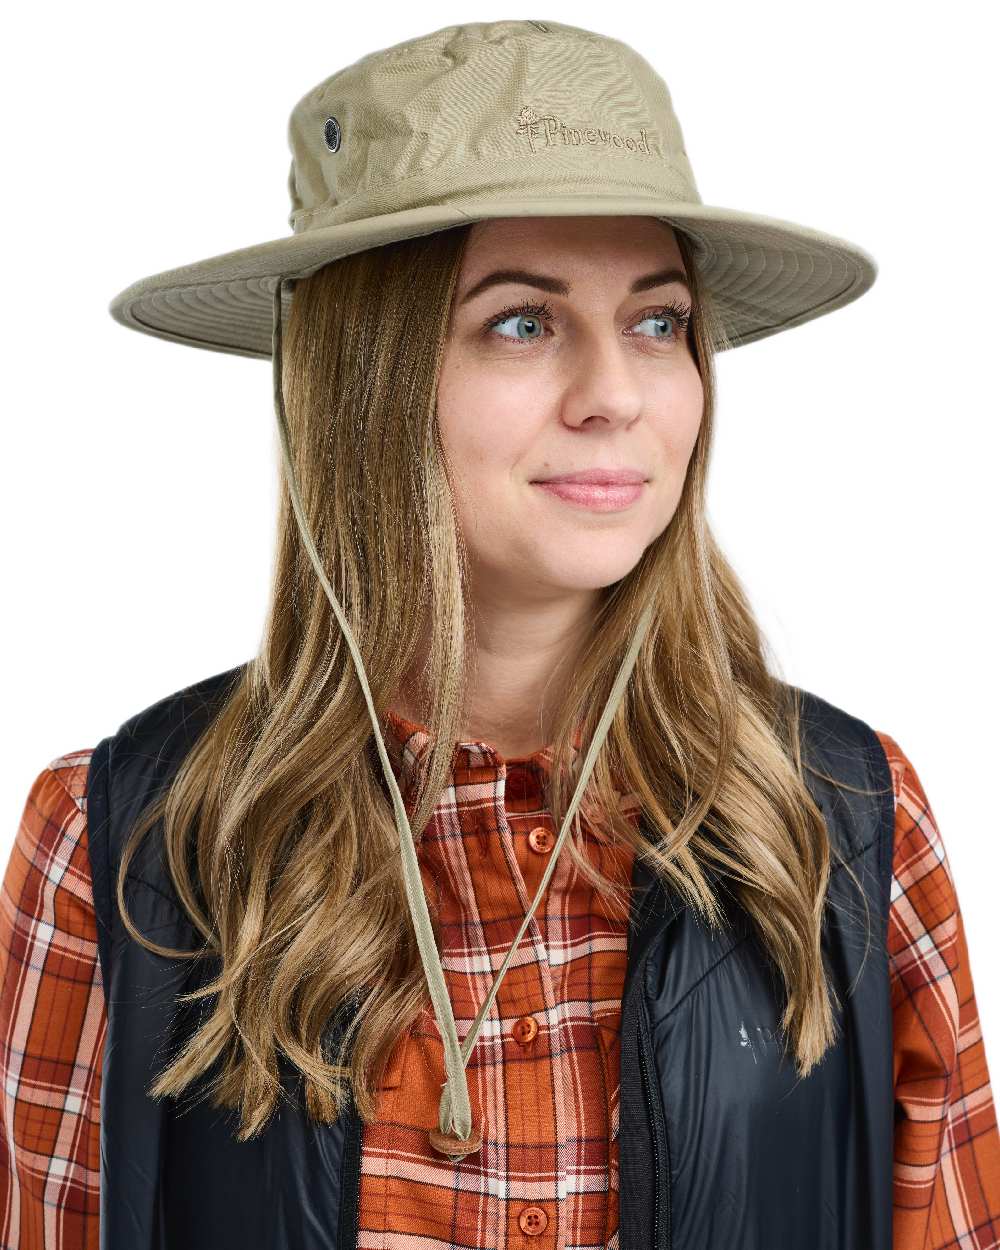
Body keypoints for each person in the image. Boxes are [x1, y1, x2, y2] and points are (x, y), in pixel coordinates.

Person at [2, 18, 998, 1250]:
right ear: (362, 382)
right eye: (522, 322)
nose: (616, 393)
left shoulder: (843, 821)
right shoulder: (128, 838)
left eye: (657, 321)